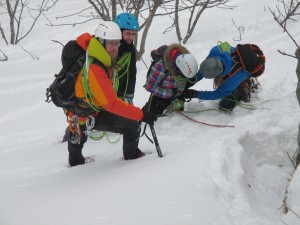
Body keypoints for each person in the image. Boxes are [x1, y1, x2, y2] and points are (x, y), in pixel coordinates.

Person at [64, 21, 157, 167]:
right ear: (101, 42)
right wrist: (142, 114)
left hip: (83, 110)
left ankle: (76, 162)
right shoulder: (96, 68)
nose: (115, 48)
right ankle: (131, 157)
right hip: (86, 112)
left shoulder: (97, 56)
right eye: (111, 44)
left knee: (78, 136)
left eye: (116, 43)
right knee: (132, 125)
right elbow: (111, 104)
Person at [182, 42, 265, 112]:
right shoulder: (215, 50)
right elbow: (203, 71)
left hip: (241, 75)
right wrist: (191, 82)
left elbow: (217, 94)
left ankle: (246, 84)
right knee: (221, 82)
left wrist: (195, 94)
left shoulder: (233, 80)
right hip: (228, 71)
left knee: (225, 106)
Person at [142, 44, 198, 115]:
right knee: (151, 114)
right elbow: (149, 86)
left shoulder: (186, 61)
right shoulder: (161, 66)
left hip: (176, 91)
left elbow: (183, 81)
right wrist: (170, 93)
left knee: (178, 113)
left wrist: (179, 94)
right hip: (160, 94)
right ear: (177, 69)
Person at [114, 13, 139, 104]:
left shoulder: (130, 49)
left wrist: (129, 94)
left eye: (133, 34)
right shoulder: (109, 49)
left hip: (120, 93)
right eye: (128, 33)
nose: (131, 38)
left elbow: (132, 72)